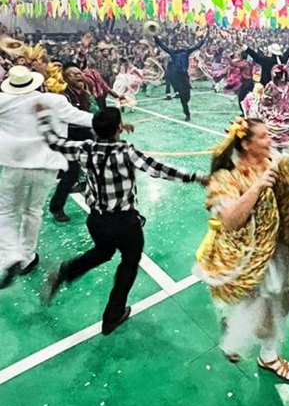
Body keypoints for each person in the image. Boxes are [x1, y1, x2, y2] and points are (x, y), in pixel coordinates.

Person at [194, 117, 289, 382]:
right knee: (271, 305)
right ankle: (267, 356)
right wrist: (258, 186)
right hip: (252, 256)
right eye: (262, 136)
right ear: (246, 144)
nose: (269, 139)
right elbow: (230, 218)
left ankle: (238, 325)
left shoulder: (272, 159)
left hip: (282, 246)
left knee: (276, 301)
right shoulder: (226, 177)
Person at [37, 106, 207, 335]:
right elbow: (159, 169)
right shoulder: (126, 152)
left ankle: (66, 272)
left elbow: (54, 142)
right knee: (129, 261)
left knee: (103, 252)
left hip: (96, 221)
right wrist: (196, 177)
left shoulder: (85, 148)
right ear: (119, 128)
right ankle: (112, 315)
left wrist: (43, 118)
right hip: (125, 222)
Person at [0, 66, 94, 288]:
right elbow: (82, 117)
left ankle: (11, 255)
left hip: (16, 167)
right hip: (47, 167)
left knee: (6, 212)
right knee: (33, 211)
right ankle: (28, 257)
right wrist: (113, 121)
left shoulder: (3, 102)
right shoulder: (54, 101)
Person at [48, 63, 98, 223]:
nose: (78, 76)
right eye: (72, 74)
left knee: (96, 170)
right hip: (70, 140)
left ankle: (96, 202)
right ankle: (56, 208)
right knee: (71, 175)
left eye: (79, 73)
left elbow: (92, 112)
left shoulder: (84, 93)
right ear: (65, 78)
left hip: (87, 137)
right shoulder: (63, 97)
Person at [154, 30, 209, 121]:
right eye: (178, 44)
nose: (180, 45)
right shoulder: (172, 53)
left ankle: (184, 102)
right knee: (183, 99)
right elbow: (162, 46)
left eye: (181, 43)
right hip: (176, 77)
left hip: (184, 76)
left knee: (187, 96)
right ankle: (187, 114)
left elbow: (197, 46)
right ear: (176, 45)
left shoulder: (187, 52)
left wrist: (205, 37)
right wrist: (155, 36)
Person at [256, 64, 289, 149]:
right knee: (284, 131)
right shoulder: (288, 84)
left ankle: (278, 149)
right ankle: (281, 148)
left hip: (275, 111)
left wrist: (263, 100)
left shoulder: (271, 85)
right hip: (288, 111)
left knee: (275, 131)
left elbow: (265, 102)